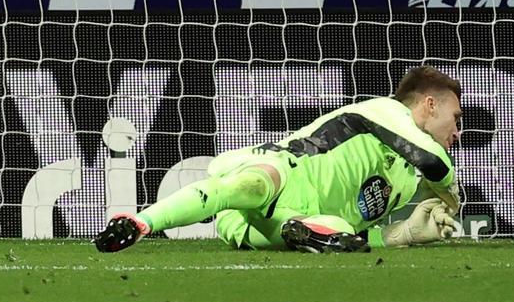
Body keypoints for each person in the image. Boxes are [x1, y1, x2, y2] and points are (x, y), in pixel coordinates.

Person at [95, 66, 464, 253]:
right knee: (252, 185)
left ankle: (302, 232)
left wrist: (404, 235)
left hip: (265, 229)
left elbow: (363, 232)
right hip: (282, 175)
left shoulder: (403, 183)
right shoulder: (385, 110)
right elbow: (435, 163)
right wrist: (450, 191)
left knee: (337, 231)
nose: (457, 131)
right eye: (456, 118)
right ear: (429, 104)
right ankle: (138, 223)